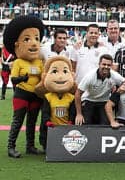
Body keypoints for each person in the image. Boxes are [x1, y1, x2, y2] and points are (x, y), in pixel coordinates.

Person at [4, 16, 46, 158]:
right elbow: (13, 79)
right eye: (27, 39)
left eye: (36, 39)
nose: (34, 43)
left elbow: (43, 76)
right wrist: (24, 78)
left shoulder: (39, 62)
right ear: (17, 45)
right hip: (22, 94)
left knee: (32, 121)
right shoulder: (18, 62)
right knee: (18, 120)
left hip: (35, 95)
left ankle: (30, 146)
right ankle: (11, 146)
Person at [37, 56, 76, 150]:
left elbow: (72, 112)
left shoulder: (71, 97)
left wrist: (71, 121)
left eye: (65, 72)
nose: (60, 76)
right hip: (51, 127)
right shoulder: (48, 97)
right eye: (54, 71)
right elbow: (45, 112)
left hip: (66, 127)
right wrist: (47, 122)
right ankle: (45, 144)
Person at [75, 54, 125, 125]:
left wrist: (123, 86)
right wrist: (79, 114)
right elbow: (78, 93)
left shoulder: (114, 75)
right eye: (104, 64)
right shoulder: (90, 76)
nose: (106, 67)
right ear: (99, 64)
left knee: (105, 124)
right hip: (89, 100)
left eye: (108, 65)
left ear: (111, 66)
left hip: (104, 101)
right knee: (85, 122)